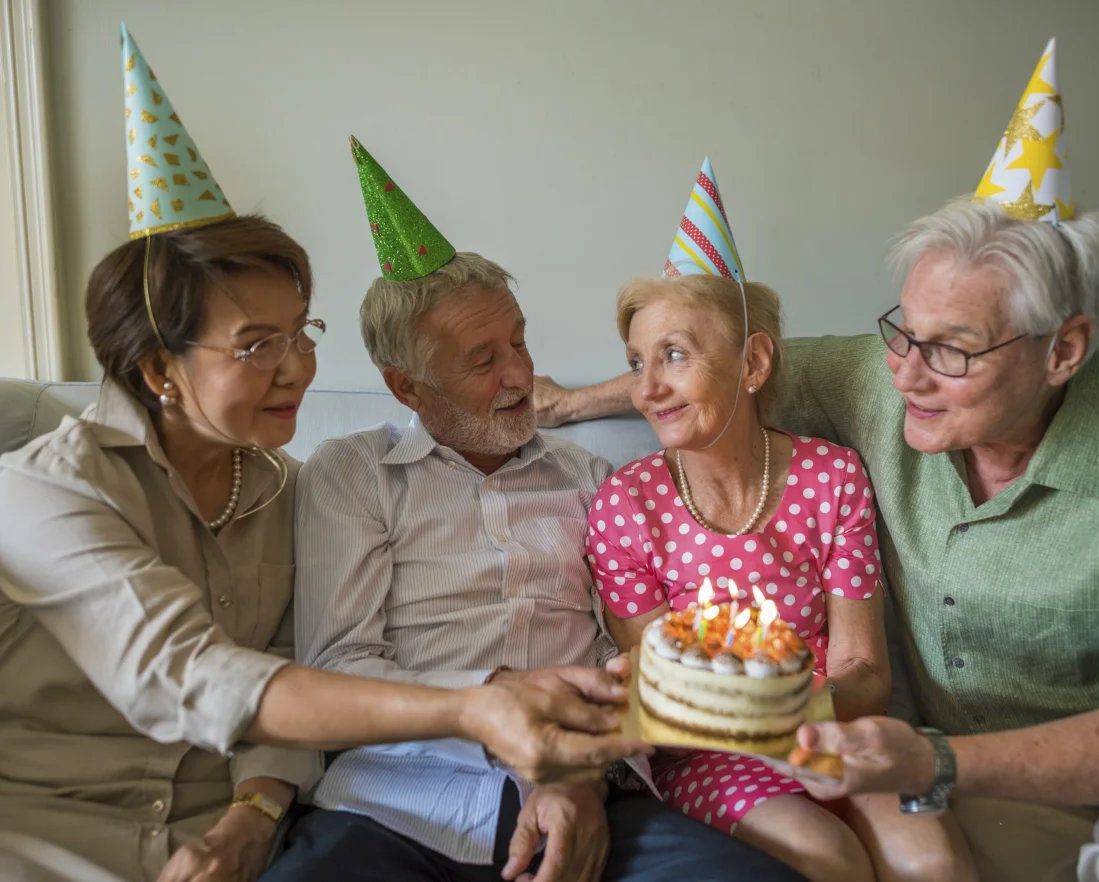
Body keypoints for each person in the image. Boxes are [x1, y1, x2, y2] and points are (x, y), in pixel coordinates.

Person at [536, 40, 1099, 882]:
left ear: (1063, 350)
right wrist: (569, 402)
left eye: (952, 350)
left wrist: (926, 763)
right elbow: (699, 377)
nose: (906, 375)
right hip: (914, 765)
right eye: (902, 332)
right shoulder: (887, 380)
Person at [0, 31, 642, 882]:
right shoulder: (40, 493)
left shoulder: (280, 489)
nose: (298, 367)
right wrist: (481, 706)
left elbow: (288, 671)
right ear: (161, 368)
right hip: (52, 835)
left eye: (301, 334)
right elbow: (195, 675)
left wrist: (255, 810)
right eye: (258, 345)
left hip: (229, 832)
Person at [260, 139, 807, 882]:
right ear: (407, 387)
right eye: (483, 361)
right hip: (394, 807)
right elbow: (337, 668)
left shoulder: (591, 479)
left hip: (588, 793)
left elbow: (624, 657)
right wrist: (501, 704)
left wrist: (580, 769)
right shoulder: (353, 475)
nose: (520, 373)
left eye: (519, 339)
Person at [586, 159, 974, 882]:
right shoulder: (626, 505)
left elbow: (863, 668)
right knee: (829, 858)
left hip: (839, 732)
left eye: (674, 356)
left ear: (753, 362)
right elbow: (659, 698)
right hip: (710, 759)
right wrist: (754, 714)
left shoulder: (831, 477)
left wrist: (799, 712)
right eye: (637, 361)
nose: (647, 388)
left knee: (931, 860)